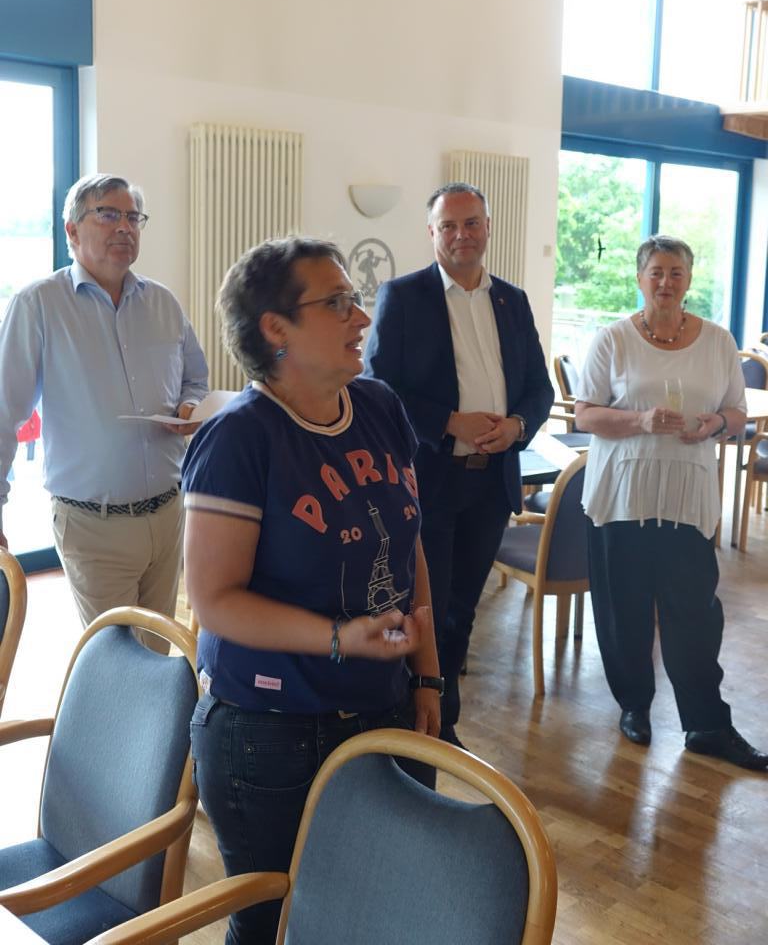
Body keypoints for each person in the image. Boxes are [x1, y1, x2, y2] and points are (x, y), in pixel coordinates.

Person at [182, 237, 441, 945]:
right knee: (272, 924)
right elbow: (215, 601)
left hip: (385, 709)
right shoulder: (238, 439)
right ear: (276, 328)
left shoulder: (379, 406)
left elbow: (409, 546)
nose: (362, 316)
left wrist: (428, 675)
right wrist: (338, 637)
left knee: (370, 913)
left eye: (355, 299)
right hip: (272, 733)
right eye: (337, 303)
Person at [365, 182, 554, 746]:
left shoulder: (512, 301)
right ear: (432, 233)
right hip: (431, 480)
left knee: (463, 611)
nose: (461, 235)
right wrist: (449, 422)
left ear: (488, 228)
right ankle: (416, 723)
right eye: (448, 226)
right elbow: (379, 387)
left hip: (492, 482)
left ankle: (443, 722)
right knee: (426, 609)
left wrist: (517, 426)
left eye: (471, 223)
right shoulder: (404, 297)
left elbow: (539, 388)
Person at [575, 234, 767, 772]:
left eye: (675, 272)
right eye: (656, 272)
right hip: (622, 497)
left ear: (689, 280)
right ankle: (634, 706)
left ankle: (707, 725)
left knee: (696, 615)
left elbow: (737, 413)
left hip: (687, 498)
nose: (665, 282)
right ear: (640, 279)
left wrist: (714, 423)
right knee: (624, 611)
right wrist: (639, 420)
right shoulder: (612, 340)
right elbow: (585, 414)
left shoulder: (718, 341)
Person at [0, 174, 208, 629]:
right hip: (92, 524)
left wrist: (190, 407)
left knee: (155, 650)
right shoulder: (38, 305)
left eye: (133, 217)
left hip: (168, 514)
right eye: (109, 214)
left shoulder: (163, 303)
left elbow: (196, 379)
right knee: (114, 656)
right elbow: (3, 414)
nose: (125, 227)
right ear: (72, 231)